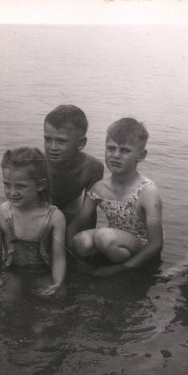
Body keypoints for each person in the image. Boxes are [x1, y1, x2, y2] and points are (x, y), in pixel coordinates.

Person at [67, 117, 164, 277]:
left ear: (141, 155)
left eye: (125, 150)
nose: (116, 155)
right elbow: (77, 224)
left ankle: (126, 270)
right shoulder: (100, 188)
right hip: (114, 241)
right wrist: (69, 254)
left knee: (104, 236)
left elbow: (156, 244)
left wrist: (118, 269)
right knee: (81, 241)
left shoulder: (148, 191)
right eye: (111, 148)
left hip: (141, 244)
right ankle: (98, 264)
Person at [0, 147, 67, 299]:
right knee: (4, 300)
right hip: (12, 272)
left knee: (57, 297)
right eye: (7, 185)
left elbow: (58, 258)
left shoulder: (54, 217)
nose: (12, 192)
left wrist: (58, 283)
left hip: (43, 272)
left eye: (21, 186)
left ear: (40, 185)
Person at [43, 104, 104, 226]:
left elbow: (90, 211)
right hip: (41, 205)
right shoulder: (36, 162)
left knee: (78, 239)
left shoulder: (92, 167)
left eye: (61, 141)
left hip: (70, 204)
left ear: (81, 143)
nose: (53, 147)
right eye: (48, 139)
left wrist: (85, 236)